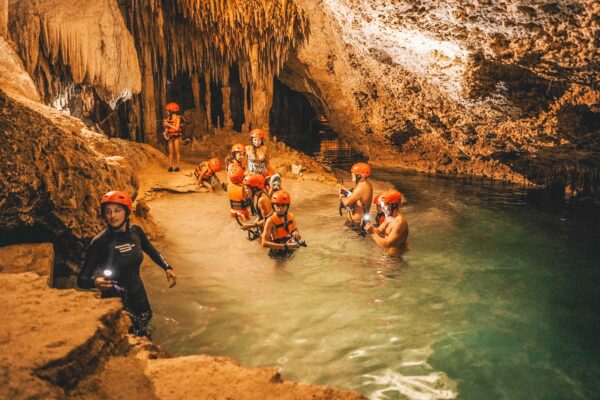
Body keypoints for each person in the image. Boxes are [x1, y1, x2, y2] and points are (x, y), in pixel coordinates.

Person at [77, 191, 177, 336]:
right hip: (114, 300)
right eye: (108, 212)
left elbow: (151, 250)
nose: (112, 216)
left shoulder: (136, 233)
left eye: (117, 211)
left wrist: (167, 267)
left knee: (146, 334)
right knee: (123, 339)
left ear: (127, 212)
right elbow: (81, 280)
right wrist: (95, 283)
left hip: (138, 294)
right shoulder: (99, 242)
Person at [364, 190, 409, 255]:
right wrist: (370, 228)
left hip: (393, 259)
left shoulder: (399, 223)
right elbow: (379, 230)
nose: (382, 208)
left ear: (394, 205)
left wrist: (372, 233)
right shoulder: (389, 217)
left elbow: (388, 244)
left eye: (385, 205)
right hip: (386, 254)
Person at [261, 191, 303, 258]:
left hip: (290, 248)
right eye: (277, 205)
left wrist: (296, 235)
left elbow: (299, 237)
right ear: (273, 205)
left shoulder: (291, 217)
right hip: (277, 252)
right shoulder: (270, 221)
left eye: (283, 205)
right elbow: (264, 243)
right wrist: (284, 246)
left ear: (287, 206)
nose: (280, 208)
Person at [339, 162, 373, 228]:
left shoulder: (362, 187)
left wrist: (341, 196)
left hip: (357, 225)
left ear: (359, 175)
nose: (351, 174)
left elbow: (346, 203)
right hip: (356, 223)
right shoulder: (364, 184)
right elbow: (357, 198)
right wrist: (346, 193)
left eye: (353, 173)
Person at [163, 102, 182, 172]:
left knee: (177, 151)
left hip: (176, 136)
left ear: (171, 111)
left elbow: (176, 128)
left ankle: (177, 166)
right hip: (170, 136)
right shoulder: (168, 118)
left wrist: (168, 124)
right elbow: (167, 128)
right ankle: (170, 166)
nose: (167, 112)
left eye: (168, 111)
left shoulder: (178, 118)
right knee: (170, 152)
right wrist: (165, 127)